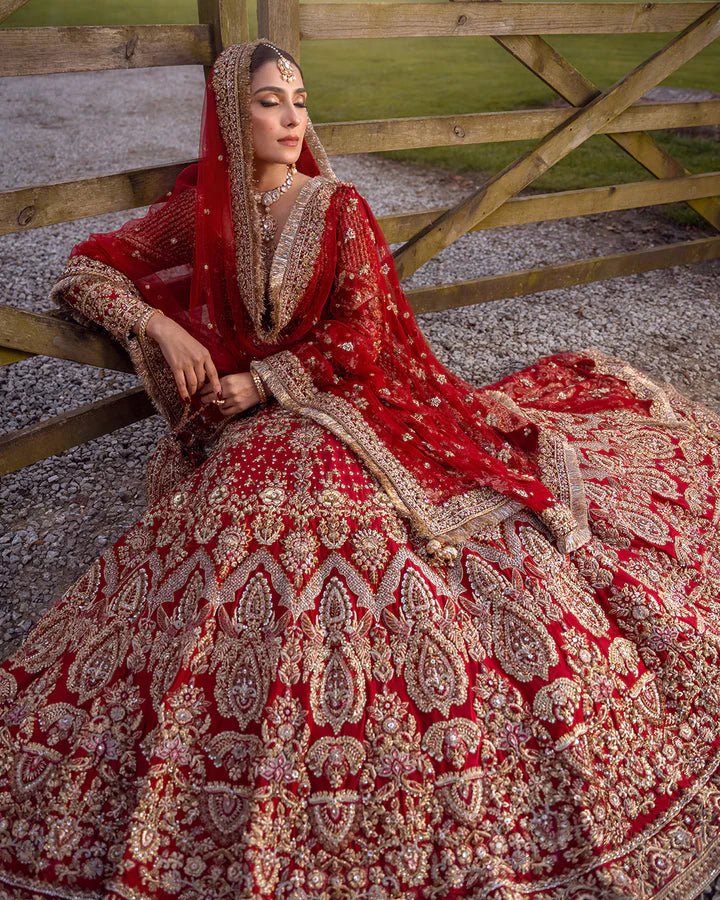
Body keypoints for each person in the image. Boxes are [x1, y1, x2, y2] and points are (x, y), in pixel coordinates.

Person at [1, 37, 719, 899]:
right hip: (248, 432)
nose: (293, 116)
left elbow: (362, 338)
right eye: (271, 100)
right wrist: (161, 327)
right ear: (233, 113)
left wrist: (258, 380)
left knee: (368, 542)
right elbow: (86, 270)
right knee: (227, 541)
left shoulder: (338, 206)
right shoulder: (201, 212)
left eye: (300, 99)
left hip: (341, 406)